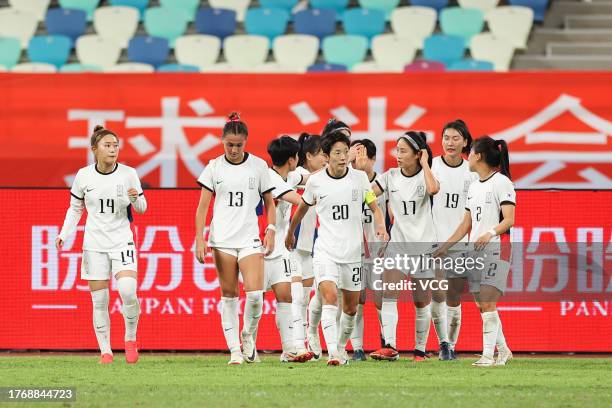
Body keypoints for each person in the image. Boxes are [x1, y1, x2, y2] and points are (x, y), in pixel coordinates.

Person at [286, 131, 389, 366]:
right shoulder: (316, 181)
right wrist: (291, 232)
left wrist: (381, 225)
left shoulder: (360, 179)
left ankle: (341, 348)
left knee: (351, 309)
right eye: (337, 153)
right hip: (325, 251)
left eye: (345, 152)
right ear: (326, 155)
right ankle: (332, 352)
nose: (343, 157)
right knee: (330, 297)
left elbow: (374, 207)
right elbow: (302, 208)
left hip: (353, 254)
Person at [56, 125, 147, 364]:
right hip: (94, 244)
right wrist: (64, 234)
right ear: (94, 149)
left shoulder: (128, 173)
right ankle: (105, 351)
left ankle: (130, 337)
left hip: (122, 241)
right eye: (107, 146)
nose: (113, 150)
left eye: (116, 145)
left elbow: (142, 209)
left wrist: (135, 198)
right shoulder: (83, 176)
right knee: (100, 300)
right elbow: (75, 209)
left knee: (128, 290)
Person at [195, 112, 276, 365]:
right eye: (229, 144)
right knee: (228, 296)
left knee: (255, 295)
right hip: (222, 240)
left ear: (246, 142)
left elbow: (270, 203)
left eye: (238, 145)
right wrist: (200, 239)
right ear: (222, 141)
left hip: (250, 238)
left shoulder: (259, 166)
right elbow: (202, 207)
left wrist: (270, 229)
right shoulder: (214, 167)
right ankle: (234, 351)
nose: (233, 149)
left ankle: (248, 335)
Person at [434, 136, 515, 367]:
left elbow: (509, 220)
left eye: (469, 153)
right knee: (482, 305)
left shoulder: (502, 182)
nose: (466, 157)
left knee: (488, 304)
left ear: (478, 156)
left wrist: (490, 233)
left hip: (494, 251)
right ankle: (504, 350)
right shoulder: (473, 186)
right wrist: (445, 247)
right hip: (474, 252)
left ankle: (488, 356)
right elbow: (466, 224)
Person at [370, 131, 440, 362]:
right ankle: (390, 346)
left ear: (417, 154)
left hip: (422, 246)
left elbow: (433, 189)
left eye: (403, 151)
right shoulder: (390, 176)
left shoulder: (427, 176)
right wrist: (380, 217)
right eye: (396, 150)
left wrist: (425, 164)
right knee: (389, 293)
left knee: (421, 300)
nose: (397, 155)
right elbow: (368, 195)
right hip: (397, 245)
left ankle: (420, 350)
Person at [264, 136, 314, 362]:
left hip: (281, 248)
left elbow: (308, 177)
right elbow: (299, 200)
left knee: (286, 297)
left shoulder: (289, 174)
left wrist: (332, 177)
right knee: (255, 299)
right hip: (261, 245)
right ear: (293, 159)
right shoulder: (271, 179)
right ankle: (245, 347)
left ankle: (290, 349)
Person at [430, 119, 477, 360]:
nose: (450, 142)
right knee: (437, 292)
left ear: (465, 142)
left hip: (460, 243)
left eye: (455, 138)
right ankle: (443, 344)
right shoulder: (432, 165)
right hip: (434, 242)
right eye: (446, 138)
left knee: (454, 296)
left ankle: (452, 345)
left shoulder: (472, 171)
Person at [349, 139, 388, 361]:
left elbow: (388, 213)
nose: (357, 163)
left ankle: (386, 342)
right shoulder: (348, 183)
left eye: (362, 158)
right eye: (354, 159)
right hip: (354, 251)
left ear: (372, 159)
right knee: (357, 298)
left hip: (379, 252)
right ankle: (358, 349)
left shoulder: (383, 183)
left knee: (381, 298)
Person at [290, 133, 328, 361]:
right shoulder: (297, 174)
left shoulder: (322, 178)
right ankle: (296, 345)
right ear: (309, 156)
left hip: (313, 246)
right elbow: (306, 179)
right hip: (293, 245)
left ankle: (306, 344)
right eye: (323, 155)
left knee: (306, 299)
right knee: (296, 299)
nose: (326, 160)